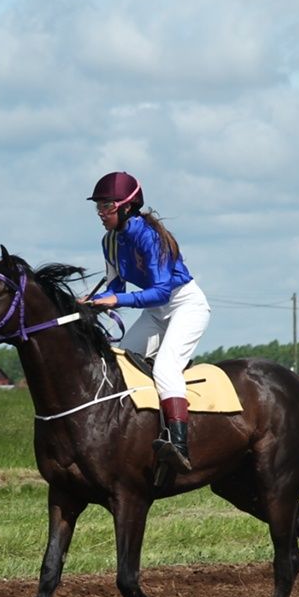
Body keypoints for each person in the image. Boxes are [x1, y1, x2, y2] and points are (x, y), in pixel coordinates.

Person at [82, 171, 211, 474]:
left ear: (127, 207)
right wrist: (93, 301)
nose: (101, 214)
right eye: (98, 207)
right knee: (120, 363)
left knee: (166, 368)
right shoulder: (109, 241)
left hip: (185, 306)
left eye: (107, 207)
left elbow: (162, 291)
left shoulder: (148, 235)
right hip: (156, 312)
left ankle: (179, 446)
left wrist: (116, 301)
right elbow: (116, 288)